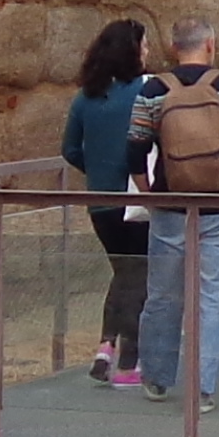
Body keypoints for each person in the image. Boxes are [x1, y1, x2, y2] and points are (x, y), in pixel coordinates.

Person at [127, 19, 219, 404]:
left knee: (164, 294)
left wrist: (146, 189)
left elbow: (135, 146)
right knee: (210, 297)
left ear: (173, 46)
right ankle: (202, 387)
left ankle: (156, 377)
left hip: (170, 204)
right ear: (210, 45)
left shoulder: (153, 90)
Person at [64, 21, 151, 385]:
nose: (147, 52)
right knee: (140, 277)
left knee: (123, 272)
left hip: (100, 201)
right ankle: (130, 360)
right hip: (135, 198)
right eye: (144, 46)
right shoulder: (145, 91)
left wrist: (97, 170)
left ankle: (105, 346)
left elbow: (70, 148)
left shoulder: (85, 97)